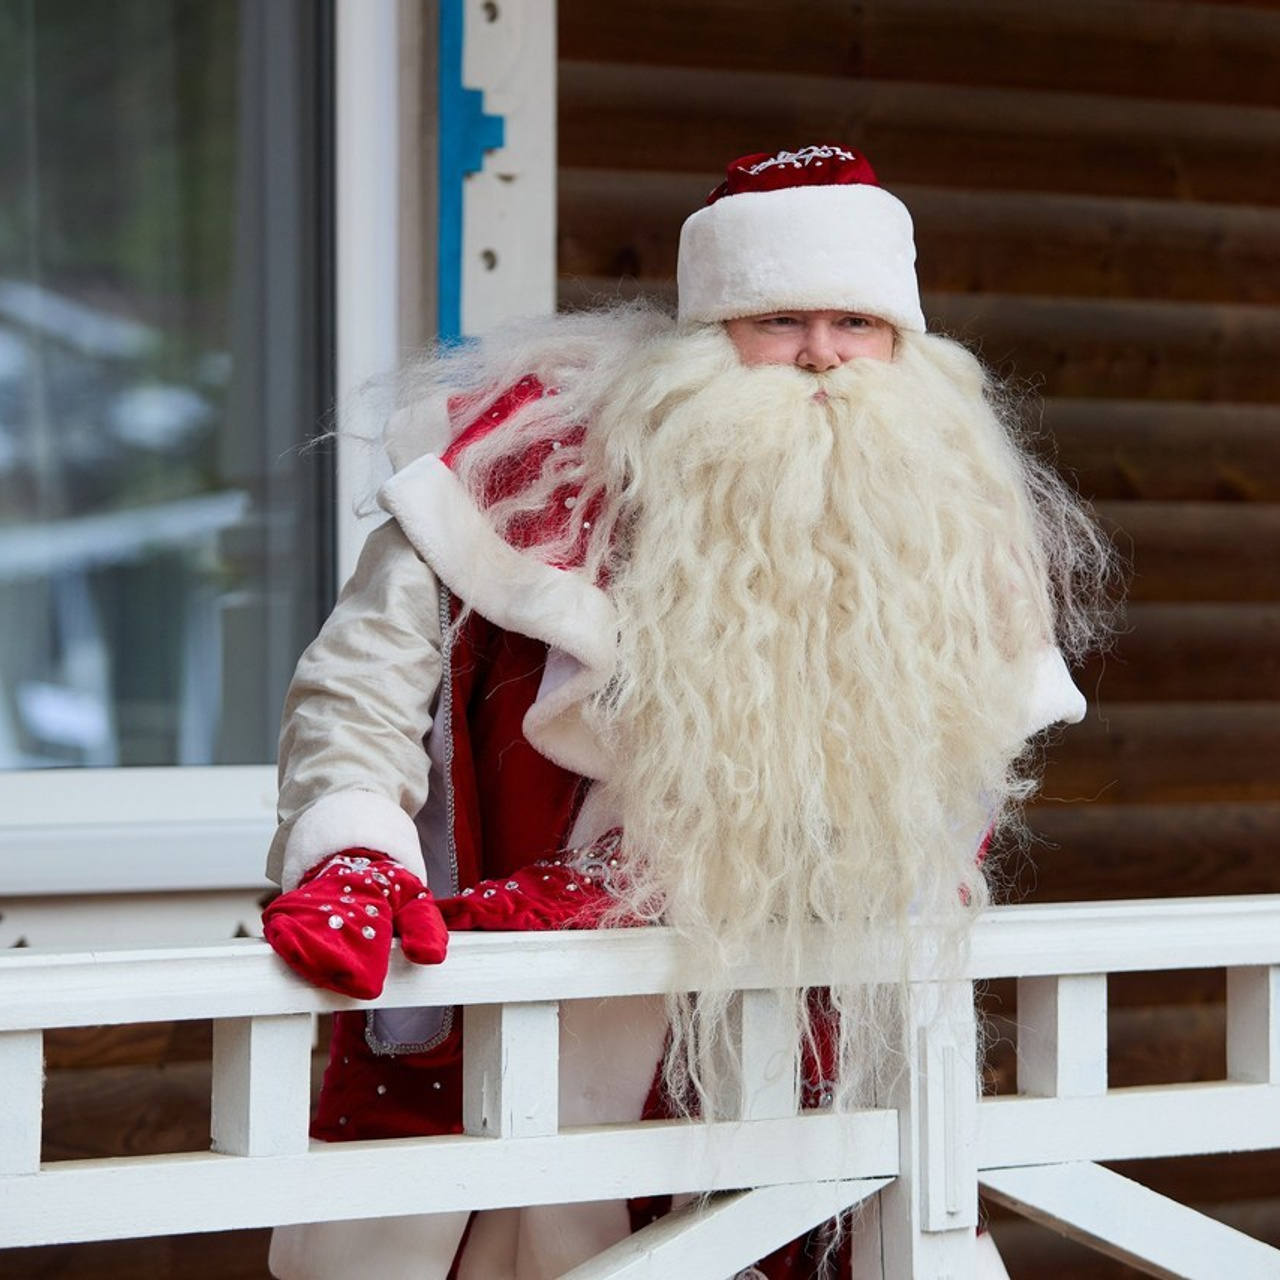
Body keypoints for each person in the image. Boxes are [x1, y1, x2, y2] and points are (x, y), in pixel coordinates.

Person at [262, 144, 1114, 1279]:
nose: (821, 355)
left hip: (819, 1023)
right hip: (549, 1018)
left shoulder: (952, 511)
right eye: (779, 320)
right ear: (710, 333)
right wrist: (354, 846)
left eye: (855, 323)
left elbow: (957, 780)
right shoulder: (522, 471)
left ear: (902, 340)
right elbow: (365, 674)